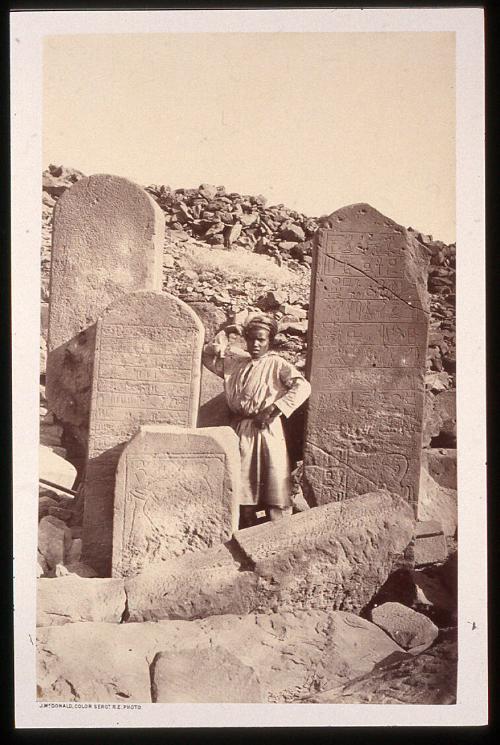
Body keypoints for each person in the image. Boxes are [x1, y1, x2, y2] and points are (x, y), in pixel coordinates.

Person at [202, 314, 311, 528]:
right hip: (240, 429)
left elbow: (303, 387)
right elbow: (207, 355)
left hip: (268, 429)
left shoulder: (276, 364)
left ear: (269, 341)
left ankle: (278, 534)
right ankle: (244, 530)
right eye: (251, 339)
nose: (255, 344)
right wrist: (227, 331)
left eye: (261, 339)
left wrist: (274, 408)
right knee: (242, 487)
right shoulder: (235, 364)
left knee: (274, 485)